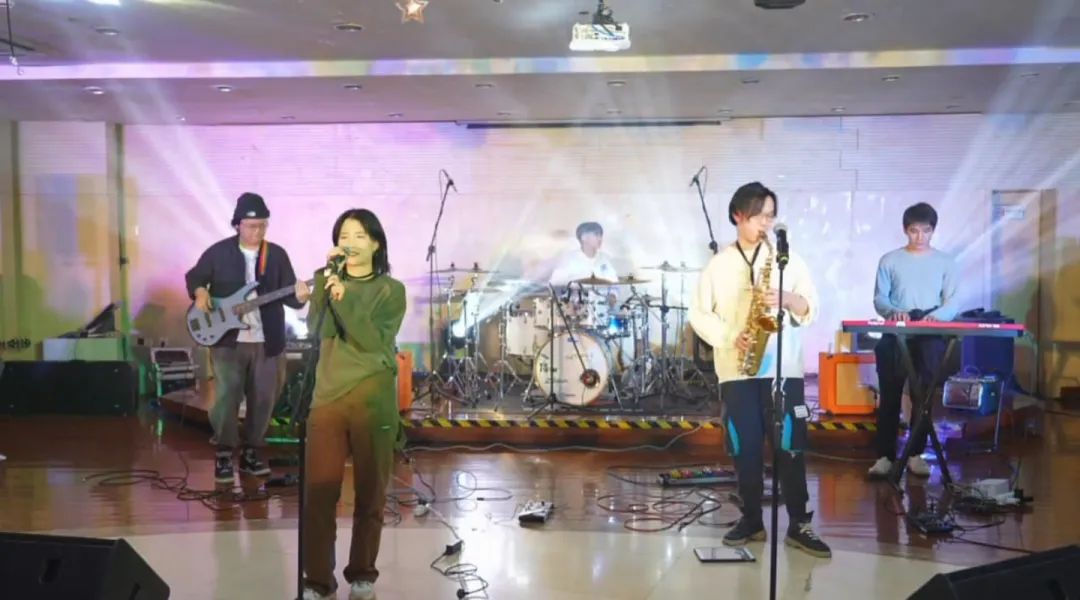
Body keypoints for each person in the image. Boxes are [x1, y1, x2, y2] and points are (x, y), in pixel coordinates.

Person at [689, 181, 831, 558]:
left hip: (784, 370)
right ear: (739, 215)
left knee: (791, 445)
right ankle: (752, 519)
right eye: (759, 216)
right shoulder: (719, 265)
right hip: (738, 370)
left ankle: (799, 523)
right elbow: (699, 314)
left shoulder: (789, 260)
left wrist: (788, 298)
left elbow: (811, 308)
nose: (766, 223)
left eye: (770, 216)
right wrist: (730, 336)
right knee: (744, 447)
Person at [302, 208, 407, 600]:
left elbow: (371, 340)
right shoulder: (327, 280)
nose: (350, 243)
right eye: (344, 236)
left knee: (370, 492)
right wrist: (323, 288)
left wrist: (343, 298)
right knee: (319, 495)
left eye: (360, 235)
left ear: (376, 243)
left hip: (372, 398)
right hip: (328, 398)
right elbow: (317, 330)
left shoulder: (390, 290)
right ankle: (317, 580)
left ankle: (362, 574)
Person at [185, 192, 311, 484]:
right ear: (237, 225)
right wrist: (200, 292)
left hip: (268, 341)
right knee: (227, 396)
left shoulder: (276, 255)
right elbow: (195, 277)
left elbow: (291, 298)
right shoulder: (218, 253)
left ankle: (252, 451)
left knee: (265, 398)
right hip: (228, 341)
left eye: (263, 225)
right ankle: (224, 452)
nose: (258, 231)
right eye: (252, 226)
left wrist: (302, 296)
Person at [868, 202, 959, 479]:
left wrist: (936, 317)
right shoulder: (889, 260)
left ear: (933, 231)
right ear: (905, 230)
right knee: (890, 394)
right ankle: (885, 456)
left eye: (926, 231)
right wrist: (893, 312)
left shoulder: (946, 262)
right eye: (914, 231)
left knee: (923, 395)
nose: (920, 237)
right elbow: (880, 298)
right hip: (897, 328)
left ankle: (916, 454)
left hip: (929, 330)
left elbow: (952, 300)